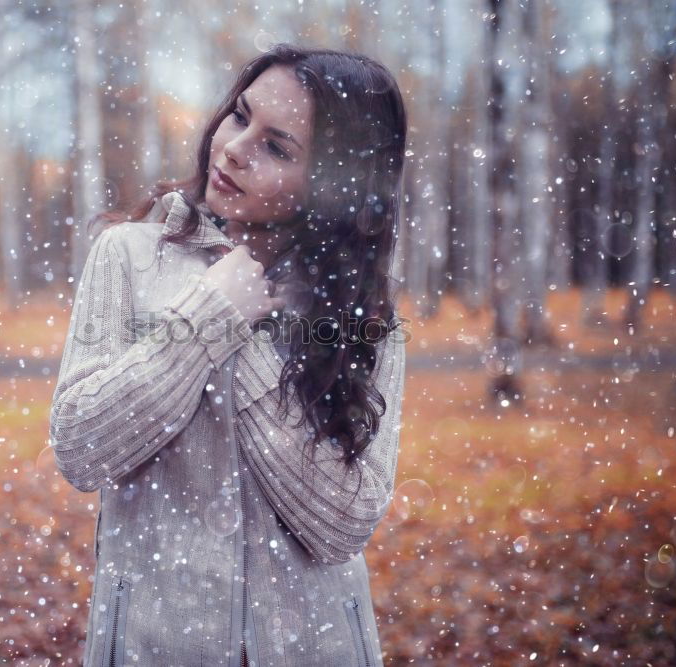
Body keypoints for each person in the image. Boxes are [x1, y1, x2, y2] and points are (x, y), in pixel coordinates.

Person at [50, 43, 408, 667]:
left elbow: (343, 524)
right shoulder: (128, 257)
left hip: (316, 648)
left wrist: (247, 332)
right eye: (241, 116)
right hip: (155, 646)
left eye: (277, 147)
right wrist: (207, 319)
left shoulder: (357, 312)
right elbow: (82, 449)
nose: (236, 147)